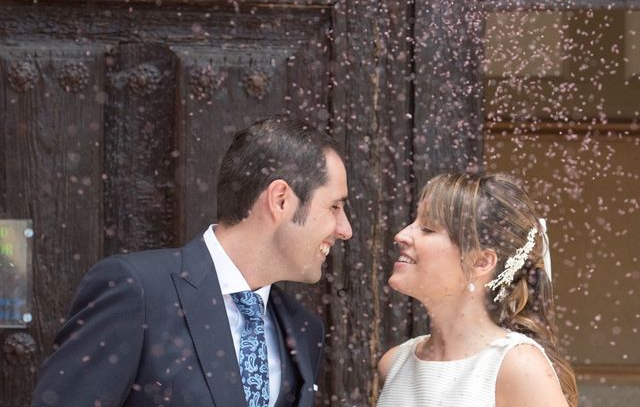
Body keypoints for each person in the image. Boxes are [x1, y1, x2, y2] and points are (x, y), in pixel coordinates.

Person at [32, 115, 352, 407]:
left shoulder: (304, 329)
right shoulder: (137, 292)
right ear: (280, 199)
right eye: (335, 207)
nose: (345, 230)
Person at [377, 173, 577, 407]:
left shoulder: (519, 368)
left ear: (481, 262)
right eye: (414, 223)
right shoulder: (394, 364)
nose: (401, 236)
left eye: (428, 229)